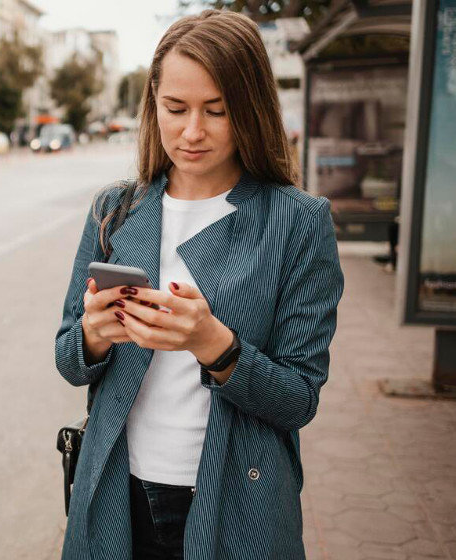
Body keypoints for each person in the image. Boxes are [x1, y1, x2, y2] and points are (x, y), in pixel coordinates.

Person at [54, 10, 344, 560]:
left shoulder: (297, 222)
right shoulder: (115, 211)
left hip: (239, 498)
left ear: (251, 111)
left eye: (217, 110)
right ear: (152, 104)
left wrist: (215, 344)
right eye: (175, 108)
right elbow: (69, 359)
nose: (192, 131)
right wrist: (93, 336)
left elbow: (299, 399)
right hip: (119, 488)